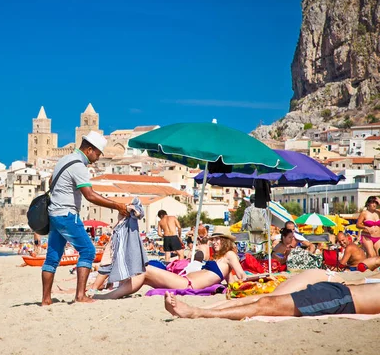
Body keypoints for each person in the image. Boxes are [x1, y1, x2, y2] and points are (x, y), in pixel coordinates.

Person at [41, 131, 129, 306]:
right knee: (88, 251)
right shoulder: (78, 166)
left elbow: (51, 181)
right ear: (89, 149)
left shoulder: (63, 161)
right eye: (97, 153)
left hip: (54, 214)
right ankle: (80, 296)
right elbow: (90, 195)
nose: (97, 158)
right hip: (67, 214)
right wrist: (117, 205)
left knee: (52, 258)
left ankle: (45, 300)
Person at [95, 228, 246, 299]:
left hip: (187, 284)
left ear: (226, 240)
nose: (214, 242)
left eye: (218, 239)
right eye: (213, 239)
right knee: (144, 276)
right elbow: (230, 281)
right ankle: (115, 293)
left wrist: (251, 284)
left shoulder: (230, 255)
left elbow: (241, 276)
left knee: (146, 269)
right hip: (184, 281)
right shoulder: (220, 259)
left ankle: (109, 296)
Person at [164, 279, 380, 320]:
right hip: (337, 290)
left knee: (265, 306)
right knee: (264, 298)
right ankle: (202, 309)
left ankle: (198, 313)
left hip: (341, 299)